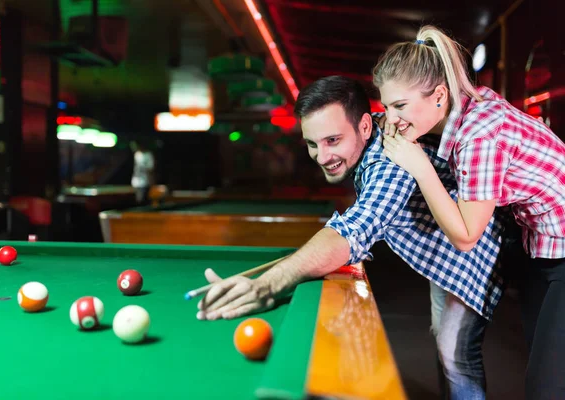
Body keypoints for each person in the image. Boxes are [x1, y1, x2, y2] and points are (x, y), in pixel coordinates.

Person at [196, 76, 507, 400]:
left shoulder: (389, 160)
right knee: (444, 343)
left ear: (363, 127)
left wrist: (267, 284)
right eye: (312, 143)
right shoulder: (376, 127)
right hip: (444, 255)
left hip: (473, 249)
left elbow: (356, 228)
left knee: (456, 355)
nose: (321, 155)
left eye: (332, 140)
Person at [374, 25, 565, 400]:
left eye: (399, 106)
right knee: (547, 373)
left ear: (440, 95)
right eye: (386, 107)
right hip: (540, 245)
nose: (392, 118)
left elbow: (465, 236)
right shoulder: (468, 109)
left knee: (548, 387)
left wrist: (419, 165)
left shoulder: (479, 135)